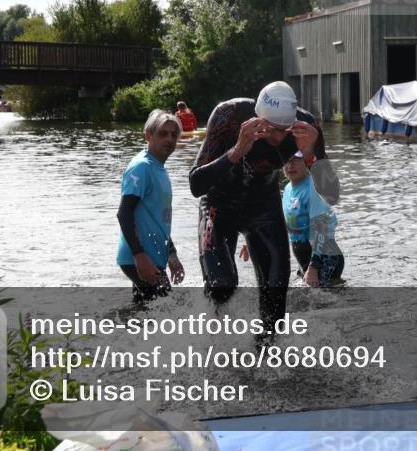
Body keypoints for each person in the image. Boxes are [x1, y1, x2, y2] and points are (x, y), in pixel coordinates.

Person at [189, 81, 339, 337]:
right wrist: (237, 150)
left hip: (263, 208)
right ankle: (211, 341)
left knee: (275, 302)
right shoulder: (229, 115)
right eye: (271, 129)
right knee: (221, 287)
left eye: (285, 130)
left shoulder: (306, 127)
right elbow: (196, 185)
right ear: (257, 118)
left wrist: (312, 155)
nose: (279, 138)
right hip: (219, 206)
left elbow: (331, 195)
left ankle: (266, 356)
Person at [116, 109, 185, 303]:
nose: (169, 139)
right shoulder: (142, 166)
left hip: (152, 255)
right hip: (139, 256)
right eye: (163, 134)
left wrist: (171, 254)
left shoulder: (159, 169)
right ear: (148, 135)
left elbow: (159, 220)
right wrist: (139, 256)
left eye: (174, 134)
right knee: (168, 311)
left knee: (145, 314)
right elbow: (124, 213)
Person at [282, 151, 344, 287]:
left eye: (296, 160)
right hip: (304, 257)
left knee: (326, 299)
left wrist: (314, 267)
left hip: (324, 259)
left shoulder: (313, 188)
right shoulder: (287, 189)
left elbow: (321, 228)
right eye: (287, 160)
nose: (291, 165)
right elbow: (283, 225)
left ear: (306, 163)